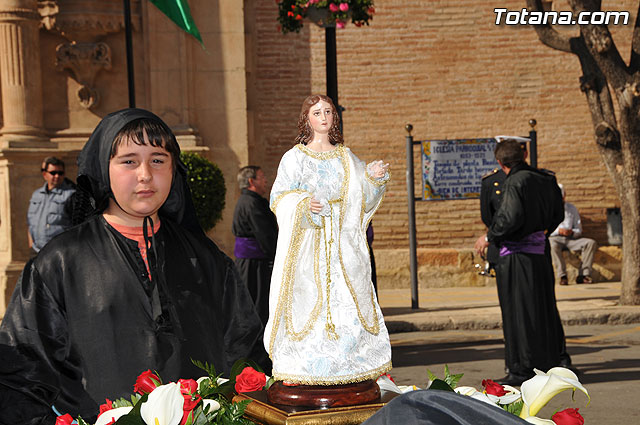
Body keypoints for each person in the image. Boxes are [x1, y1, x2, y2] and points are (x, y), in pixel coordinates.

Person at [0, 109, 264, 423]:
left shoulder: (206, 258)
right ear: (104, 168)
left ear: (173, 169)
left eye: (157, 159)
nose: (145, 174)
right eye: (128, 161)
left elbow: (245, 351)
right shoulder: (59, 262)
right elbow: (22, 374)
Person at [264, 94, 391, 385]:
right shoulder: (295, 157)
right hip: (309, 244)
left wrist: (373, 178)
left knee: (347, 301)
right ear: (306, 119)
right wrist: (303, 204)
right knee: (306, 301)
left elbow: (362, 197)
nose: (324, 117)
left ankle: (349, 368)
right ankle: (304, 368)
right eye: (317, 112)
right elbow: (278, 197)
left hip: (343, 247)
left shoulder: (345, 157)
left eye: (328, 112)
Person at [474, 139, 568, 386]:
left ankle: (521, 368)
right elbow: (559, 213)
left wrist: (489, 236)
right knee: (542, 308)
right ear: (523, 155)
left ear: (500, 162)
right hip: (539, 252)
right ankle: (547, 363)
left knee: (518, 313)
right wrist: (540, 234)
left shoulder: (515, 181)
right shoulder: (545, 179)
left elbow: (509, 217)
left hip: (515, 256)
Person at [232, 165, 278, 326]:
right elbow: (265, 234)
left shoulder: (249, 201)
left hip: (251, 263)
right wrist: (276, 257)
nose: (266, 180)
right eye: (262, 177)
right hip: (255, 264)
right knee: (257, 305)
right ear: (251, 181)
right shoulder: (252, 203)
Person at [550, 184, 598, 285]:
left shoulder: (571, 208)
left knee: (590, 243)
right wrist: (559, 231)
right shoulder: (549, 208)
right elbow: (546, 230)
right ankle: (562, 276)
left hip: (571, 239)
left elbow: (579, 229)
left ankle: (583, 275)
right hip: (555, 238)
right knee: (552, 244)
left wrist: (571, 232)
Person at [27, 156, 76, 254]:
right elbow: (30, 221)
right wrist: (31, 243)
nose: (57, 176)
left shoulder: (72, 195)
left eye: (60, 173)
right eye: (53, 173)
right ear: (45, 174)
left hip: (59, 253)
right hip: (37, 251)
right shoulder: (37, 194)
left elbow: (77, 226)